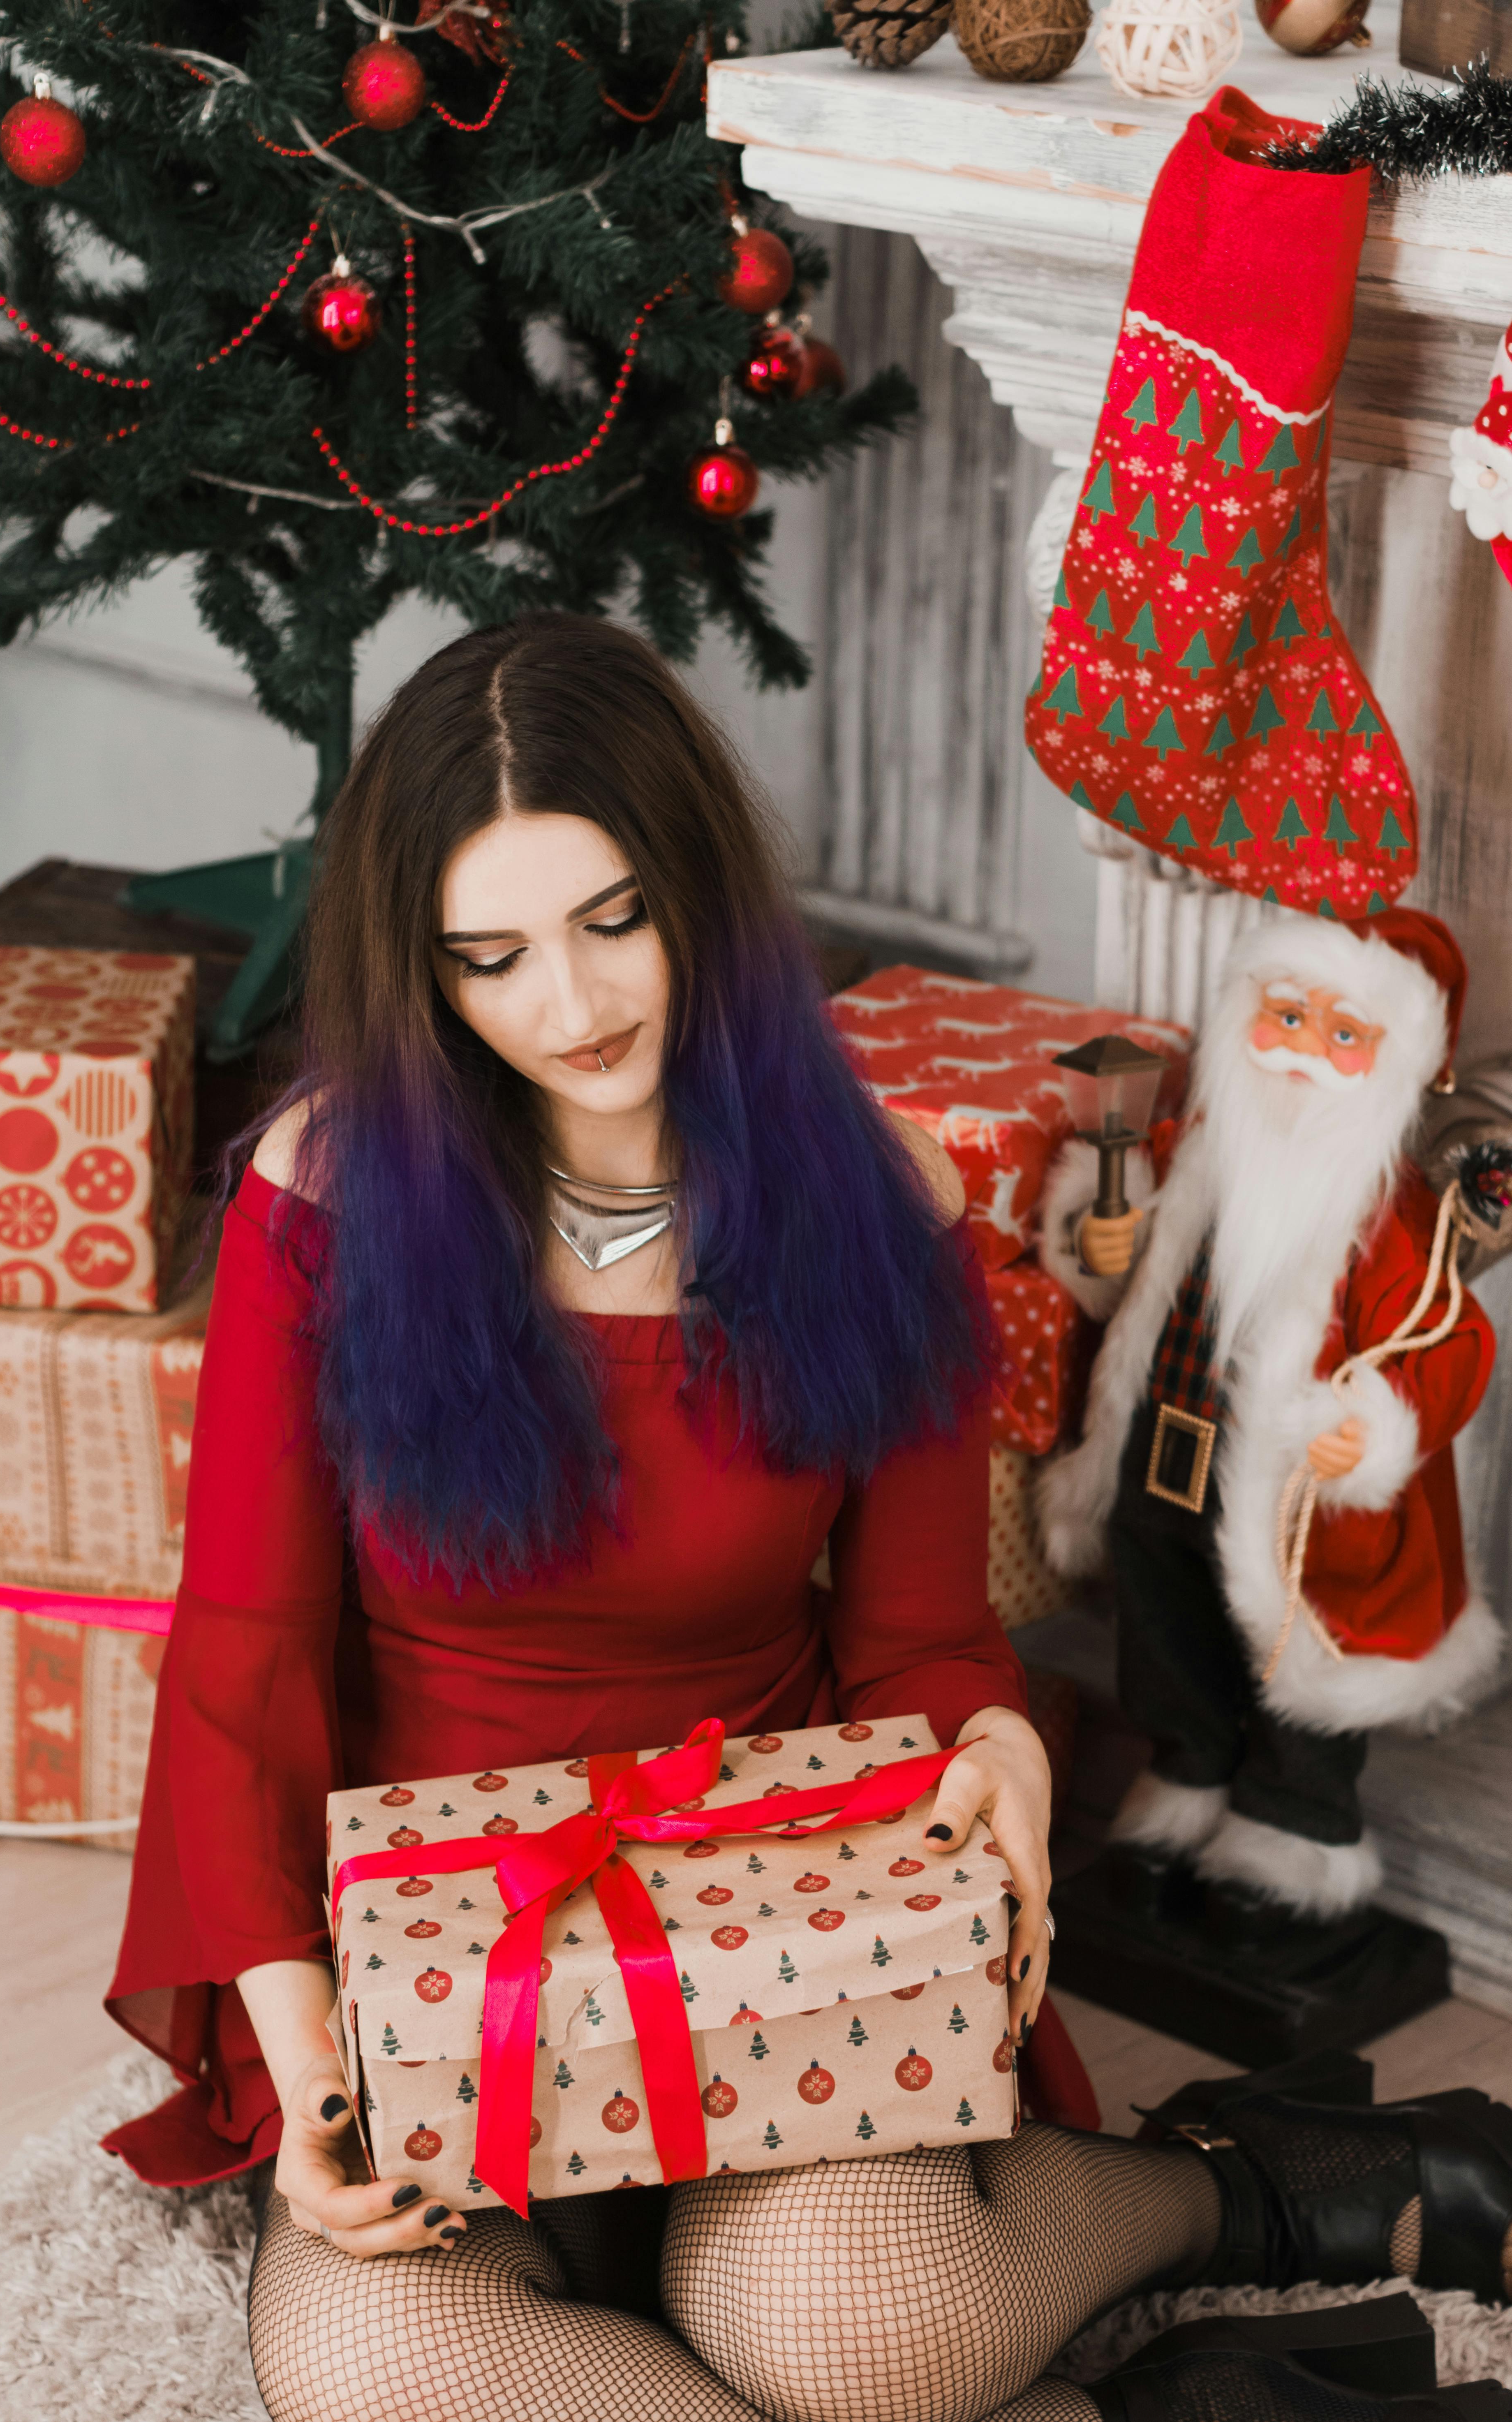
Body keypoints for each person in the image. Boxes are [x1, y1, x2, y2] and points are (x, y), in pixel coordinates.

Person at [105, 619, 1512, 2422]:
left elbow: (916, 1636)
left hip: (782, 1929)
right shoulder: (322, 1197)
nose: (569, 1004)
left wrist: (992, 1740)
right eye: (491, 958)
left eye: (614, 920)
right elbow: (246, 1652)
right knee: (379, 2367)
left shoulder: (879, 1194)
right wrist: (304, 2049)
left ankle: (1233, 2187)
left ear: (697, 886)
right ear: (422, 971)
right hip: (444, 1962)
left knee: (857, 2335)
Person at [1039, 911, 1496, 1920]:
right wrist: (1098, 1240)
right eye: (1284, 1015)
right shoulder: (1200, 1148)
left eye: (1343, 1034)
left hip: (1291, 1489)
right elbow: (1131, 1258)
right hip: (1162, 1440)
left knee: (1295, 1643)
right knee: (1163, 1615)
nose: (1301, 1049)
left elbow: (1447, 1341)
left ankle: (1297, 1824)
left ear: (1394, 1060)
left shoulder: (1387, 1217)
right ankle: (1186, 1770)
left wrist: (1369, 1425)